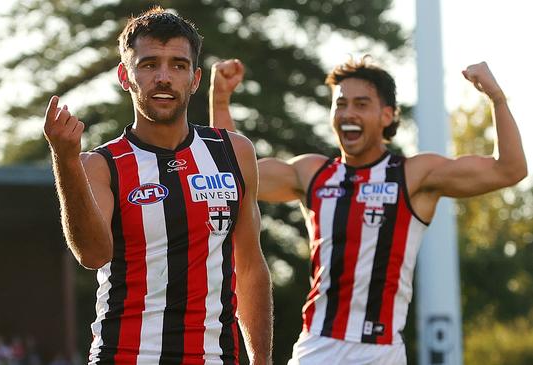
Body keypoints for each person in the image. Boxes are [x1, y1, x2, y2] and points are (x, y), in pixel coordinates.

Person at [210, 57, 527, 364]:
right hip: (316, 348)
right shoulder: (312, 174)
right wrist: (221, 100)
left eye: (361, 104)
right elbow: (231, 173)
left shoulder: (414, 175)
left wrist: (497, 98)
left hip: (380, 352)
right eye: (341, 104)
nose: (348, 113)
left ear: (387, 115)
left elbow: (510, 170)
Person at [43, 7, 273, 365]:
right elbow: (92, 255)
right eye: (149, 64)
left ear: (195, 79)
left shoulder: (235, 152)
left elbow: (249, 267)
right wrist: (65, 160)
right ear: (125, 75)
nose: (163, 77)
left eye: (178, 66)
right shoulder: (99, 165)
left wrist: (261, 361)